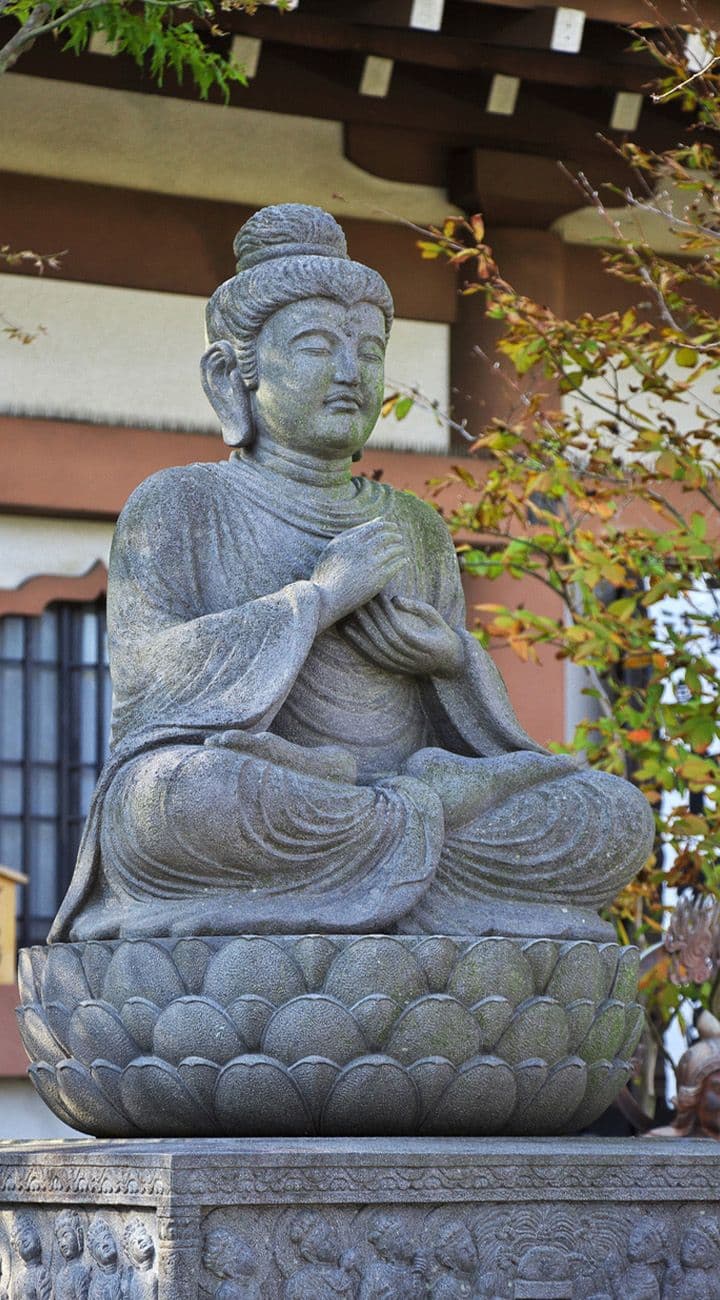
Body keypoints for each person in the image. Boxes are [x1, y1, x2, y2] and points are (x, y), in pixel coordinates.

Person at [48, 203, 654, 946]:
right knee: (172, 802)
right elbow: (147, 682)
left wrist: (451, 660)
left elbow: (474, 741)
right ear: (231, 374)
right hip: (269, 794)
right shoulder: (181, 504)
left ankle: (395, 857)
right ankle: (405, 875)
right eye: (315, 346)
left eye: (369, 351)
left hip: (409, 794)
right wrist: (318, 598)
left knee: (609, 811)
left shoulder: (416, 528)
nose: (349, 372)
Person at [54, 1211, 91, 1300]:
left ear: (79, 1235)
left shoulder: (81, 1272)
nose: (62, 1244)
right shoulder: (60, 1275)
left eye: (66, 1236)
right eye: (59, 1241)